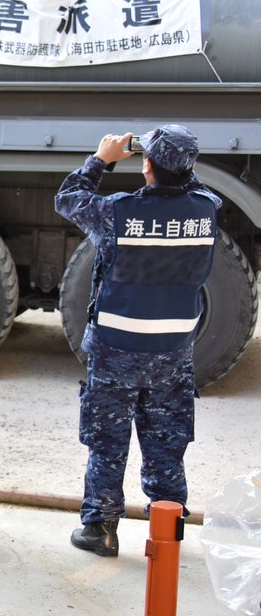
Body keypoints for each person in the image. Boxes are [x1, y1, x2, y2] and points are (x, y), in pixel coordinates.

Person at [55, 126, 220, 557]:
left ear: (146, 165)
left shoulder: (117, 211)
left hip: (115, 349)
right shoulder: (207, 210)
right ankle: (167, 535)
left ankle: (102, 530)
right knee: (167, 443)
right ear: (192, 167)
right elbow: (192, 185)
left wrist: (102, 159)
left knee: (108, 442)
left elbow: (68, 197)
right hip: (173, 351)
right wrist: (175, 167)